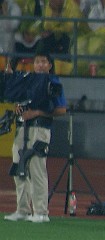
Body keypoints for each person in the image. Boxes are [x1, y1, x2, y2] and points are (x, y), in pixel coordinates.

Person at [4, 52, 66, 224]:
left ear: (49, 65)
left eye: (43, 62)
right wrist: (18, 108)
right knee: (18, 167)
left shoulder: (53, 82)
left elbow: (61, 110)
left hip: (40, 128)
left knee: (36, 169)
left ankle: (41, 211)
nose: (39, 65)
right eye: (37, 62)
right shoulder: (28, 81)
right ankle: (22, 209)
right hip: (22, 129)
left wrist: (37, 112)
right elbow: (21, 100)